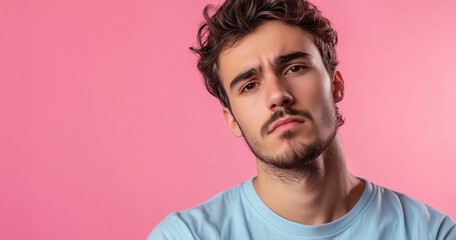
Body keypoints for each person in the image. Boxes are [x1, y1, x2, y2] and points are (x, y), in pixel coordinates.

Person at [148, 0, 456, 239]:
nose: (277, 95)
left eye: (294, 68)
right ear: (232, 120)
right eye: (249, 85)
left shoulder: (430, 233)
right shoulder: (186, 236)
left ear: (335, 84)